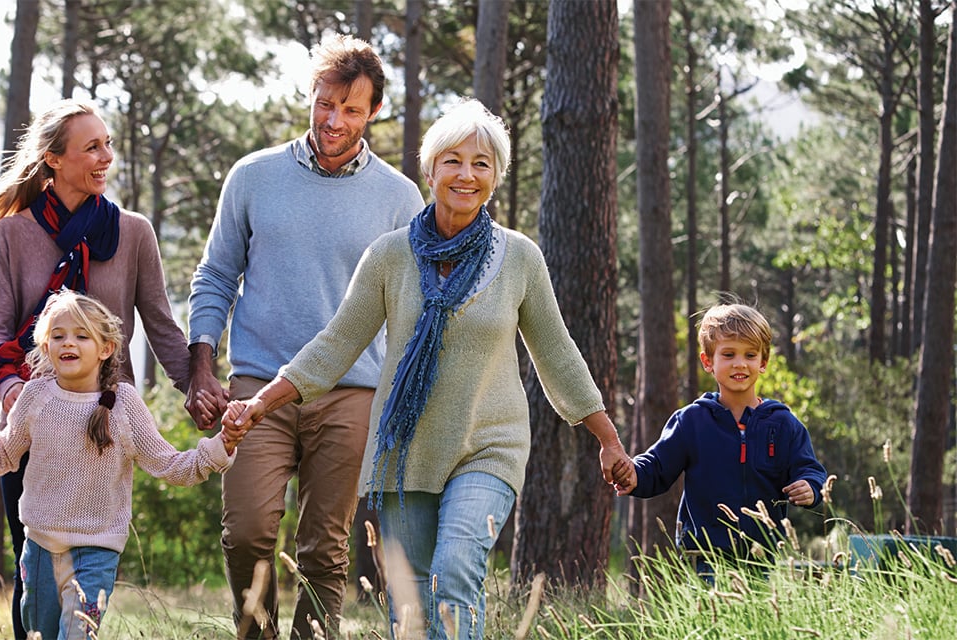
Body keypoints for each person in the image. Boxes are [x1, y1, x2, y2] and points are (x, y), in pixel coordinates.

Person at [223, 99, 633, 640]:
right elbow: (334, 346)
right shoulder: (390, 256)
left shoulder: (519, 258)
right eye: (453, 160)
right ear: (430, 169)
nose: (466, 174)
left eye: (481, 163)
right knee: (412, 597)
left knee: (457, 565)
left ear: (496, 177)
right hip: (406, 450)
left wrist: (607, 438)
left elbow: (557, 353)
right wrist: (259, 403)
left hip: (489, 445)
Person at [184, 34, 425, 639]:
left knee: (325, 547)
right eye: (324, 103)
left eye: (350, 109)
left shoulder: (400, 200)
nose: (333, 120)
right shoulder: (253, 176)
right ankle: (256, 633)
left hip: (352, 394)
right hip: (258, 385)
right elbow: (215, 274)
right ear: (311, 97)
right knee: (247, 529)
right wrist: (202, 364)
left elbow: (411, 312)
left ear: (372, 113)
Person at [0, 98, 206, 639]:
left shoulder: (133, 232)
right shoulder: (12, 234)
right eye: (92, 147)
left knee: (91, 569)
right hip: (32, 419)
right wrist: (12, 394)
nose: (106, 157)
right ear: (54, 159)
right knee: (32, 573)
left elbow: (162, 325)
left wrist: (195, 389)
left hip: (103, 422)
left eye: (108, 144)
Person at [0, 291, 240, 640]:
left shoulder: (124, 405)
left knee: (78, 636)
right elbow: (2, 455)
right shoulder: (35, 397)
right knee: (39, 635)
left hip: (95, 552)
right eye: (58, 335)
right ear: (46, 345)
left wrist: (222, 445)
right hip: (39, 551)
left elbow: (170, 465)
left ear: (106, 348)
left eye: (82, 336)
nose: (69, 343)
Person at [623, 302, 827, 579]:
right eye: (728, 354)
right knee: (712, 619)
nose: (740, 363)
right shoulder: (692, 421)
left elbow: (809, 469)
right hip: (705, 556)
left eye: (750, 355)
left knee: (758, 621)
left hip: (762, 556)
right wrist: (632, 475)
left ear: (763, 362)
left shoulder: (783, 424)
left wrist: (812, 488)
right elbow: (657, 467)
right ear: (708, 361)